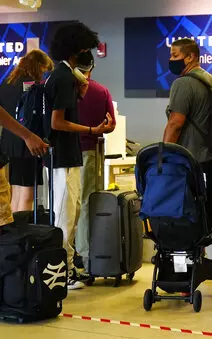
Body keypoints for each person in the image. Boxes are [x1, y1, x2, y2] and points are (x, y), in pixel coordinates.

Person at [45, 21, 113, 290]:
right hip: (62, 158)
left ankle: (69, 269)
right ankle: (60, 274)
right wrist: (91, 129)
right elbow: (57, 122)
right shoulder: (62, 78)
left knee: (70, 214)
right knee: (64, 217)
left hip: (69, 155)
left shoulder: (65, 76)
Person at [163, 38, 212, 262]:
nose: (171, 60)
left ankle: (191, 268)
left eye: (174, 55)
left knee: (190, 214)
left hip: (194, 160)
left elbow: (175, 123)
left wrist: (163, 155)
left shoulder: (183, 84)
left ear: (190, 57)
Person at [75, 50, 116, 271]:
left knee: (61, 206)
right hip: (89, 152)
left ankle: (64, 255)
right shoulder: (101, 91)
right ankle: (86, 256)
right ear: (92, 67)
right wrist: (97, 129)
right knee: (86, 203)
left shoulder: (61, 87)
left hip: (60, 155)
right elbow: (111, 125)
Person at [0, 49, 54, 212]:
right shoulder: (32, 87)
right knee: (27, 193)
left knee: (16, 190)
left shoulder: (7, 84)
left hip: (8, 142)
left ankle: (14, 228)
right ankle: (22, 231)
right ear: (39, 67)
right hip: (27, 142)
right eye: (46, 70)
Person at [0, 105, 48, 229]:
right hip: (22, 146)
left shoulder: (5, 86)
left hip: (11, 145)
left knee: (16, 195)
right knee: (24, 195)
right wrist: (28, 136)